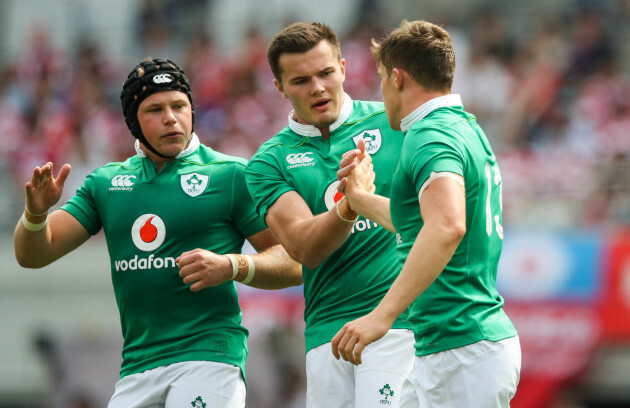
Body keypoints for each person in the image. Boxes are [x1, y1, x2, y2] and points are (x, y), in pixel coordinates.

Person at [14, 57, 302, 408]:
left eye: (179, 105)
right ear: (133, 121)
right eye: (155, 109)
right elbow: (33, 254)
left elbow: (293, 259)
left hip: (209, 356)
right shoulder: (105, 184)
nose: (171, 117)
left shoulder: (230, 175)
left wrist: (233, 266)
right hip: (137, 366)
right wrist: (36, 213)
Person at [330, 20, 521, 408]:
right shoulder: (463, 126)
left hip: (462, 348)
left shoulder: (429, 133)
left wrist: (382, 315)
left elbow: (447, 225)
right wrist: (361, 199)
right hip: (451, 344)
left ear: (397, 78)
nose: (382, 92)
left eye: (382, 78)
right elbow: (422, 224)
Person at [245, 22, 417, 408]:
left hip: (397, 324)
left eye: (325, 73)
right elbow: (305, 247)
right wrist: (350, 202)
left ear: (342, 67)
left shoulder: (398, 124)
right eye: (301, 80)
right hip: (326, 335)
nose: (318, 88)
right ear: (279, 88)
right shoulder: (268, 161)